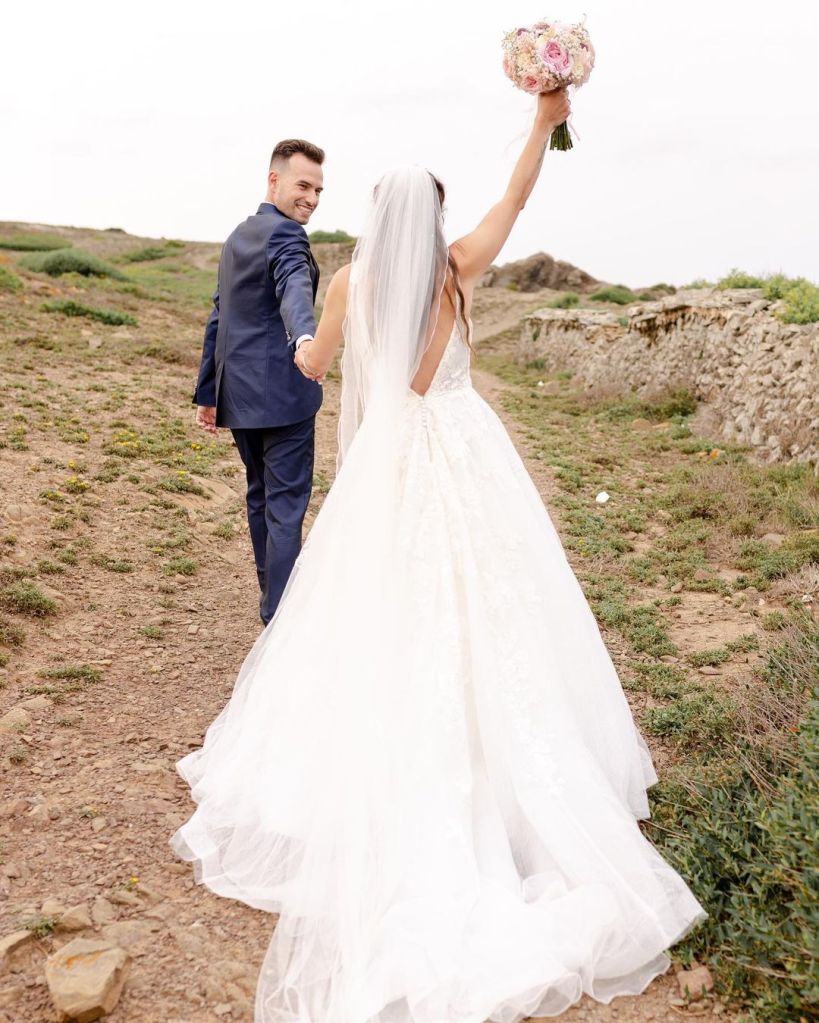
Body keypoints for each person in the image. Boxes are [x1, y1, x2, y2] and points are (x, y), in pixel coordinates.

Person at [172, 90, 706, 1023]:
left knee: (377, 598)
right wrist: (543, 122)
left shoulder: (351, 281)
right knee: (495, 597)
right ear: (434, 217)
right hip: (463, 447)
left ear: (377, 216)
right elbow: (517, 198)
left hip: (388, 463)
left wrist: (294, 351)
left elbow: (314, 365)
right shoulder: (456, 268)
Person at [192, 139, 325, 625]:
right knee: (284, 508)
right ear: (274, 180)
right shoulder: (288, 235)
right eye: (303, 185)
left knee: (260, 498)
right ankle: (281, 621)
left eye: (318, 190)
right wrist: (305, 337)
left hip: (240, 397)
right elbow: (294, 289)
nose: (311, 198)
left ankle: (272, 604)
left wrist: (209, 392)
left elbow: (219, 317)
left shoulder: (237, 236)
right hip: (284, 398)